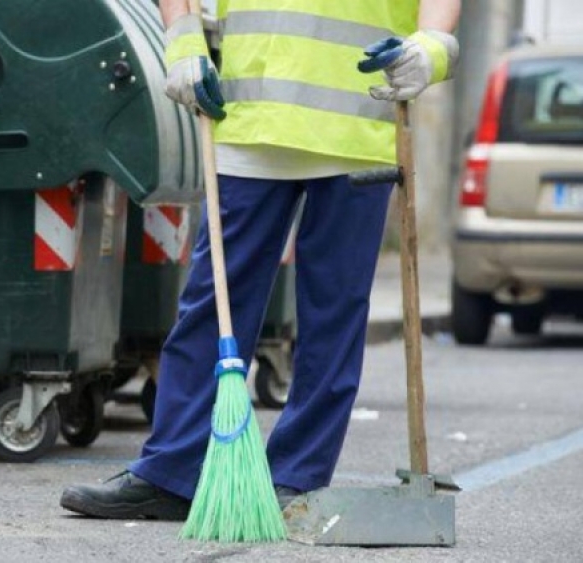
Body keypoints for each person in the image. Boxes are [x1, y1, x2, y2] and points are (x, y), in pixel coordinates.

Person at [60, 0, 462, 520]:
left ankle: (295, 477)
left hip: (357, 126)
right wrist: (182, 42)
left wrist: (431, 47)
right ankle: (171, 474)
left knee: (333, 315)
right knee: (212, 304)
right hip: (250, 119)